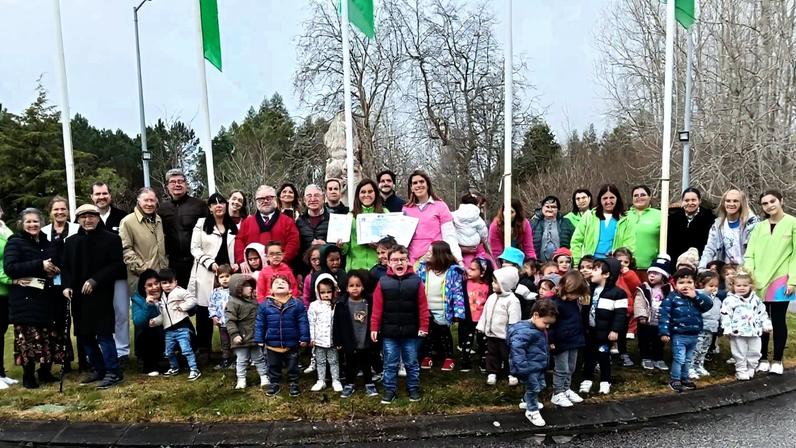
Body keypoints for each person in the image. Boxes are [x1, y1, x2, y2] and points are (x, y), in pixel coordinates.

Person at [61, 204, 127, 389]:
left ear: (98, 218)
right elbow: (65, 267)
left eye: (91, 216)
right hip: (78, 296)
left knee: (104, 334)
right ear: (78, 220)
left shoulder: (112, 239)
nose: (87, 220)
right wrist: (66, 286)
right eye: (83, 217)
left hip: (101, 294)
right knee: (84, 335)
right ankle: (99, 369)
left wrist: (95, 280)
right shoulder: (71, 241)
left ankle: (114, 371)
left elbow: (116, 266)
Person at [5, 208, 64, 389]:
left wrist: (55, 269)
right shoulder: (15, 242)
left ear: (41, 223)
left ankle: (45, 371)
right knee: (27, 339)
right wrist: (40, 265)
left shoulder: (48, 242)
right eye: (28, 222)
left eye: (35, 221)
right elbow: (10, 268)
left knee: (48, 336)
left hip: (46, 297)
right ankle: (28, 375)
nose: (32, 225)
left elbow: (56, 261)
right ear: (21, 224)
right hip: (25, 299)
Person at [744, 189, 796, 375]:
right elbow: (750, 254)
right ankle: (763, 358)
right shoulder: (759, 227)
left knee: (779, 320)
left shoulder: (792, 223)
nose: (769, 205)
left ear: (781, 200)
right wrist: (749, 276)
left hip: (781, 280)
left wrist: (793, 281)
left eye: (772, 201)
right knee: (761, 320)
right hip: (759, 281)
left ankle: (778, 360)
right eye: (765, 203)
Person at [370, 245, 429, 404]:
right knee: (390, 363)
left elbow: (423, 307)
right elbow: (377, 308)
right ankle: (390, 390)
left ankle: (413, 388)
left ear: (408, 261)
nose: (399, 263)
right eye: (395, 260)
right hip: (390, 333)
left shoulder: (416, 282)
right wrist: (374, 327)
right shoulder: (383, 282)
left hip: (411, 332)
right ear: (388, 262)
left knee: (411, 362)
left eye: (402, 259)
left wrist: (424, 327)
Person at [188, 193, 238, 357]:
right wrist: (209, 263)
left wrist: (236, 264)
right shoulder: (201, 224)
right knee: (204, 311)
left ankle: (232, 349)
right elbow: (195, 248)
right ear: (209, 208)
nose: (218, 206)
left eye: (221, 202)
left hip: (228, 274)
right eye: (214, 203)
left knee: (230, 309)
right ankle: (204, 349)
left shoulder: (233, 225)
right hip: (207, 272)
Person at [90, 182, 132, 362]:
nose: (101, 197)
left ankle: (122, 351)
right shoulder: (86, 218)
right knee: (100, 314)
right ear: (92, 197)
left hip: (118, 274)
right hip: (95, 277)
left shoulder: (123, 217)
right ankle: (103, 350)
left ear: (110, 195)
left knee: (121, 313)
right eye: (98, 194)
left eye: (104, 193)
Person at [658, 267, 714, 393]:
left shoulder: (696, 297)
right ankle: (675, 379)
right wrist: (664, 332)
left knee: (688, 359)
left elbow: (708, 305)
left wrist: (696, 296)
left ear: (695, 284)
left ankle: (685, 378)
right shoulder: (672, 298)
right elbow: (664, 315)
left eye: (689, 282)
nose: (685, 285)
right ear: (675, 284)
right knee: (679, 358)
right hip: (679, 334)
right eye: (681, 282)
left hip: (694, 334)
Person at [255, 275, 310, 397]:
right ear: (271, 290)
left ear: (290, 289)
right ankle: (274, 383)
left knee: (293, 365)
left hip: (291, 343)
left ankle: (294, 383)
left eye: (283, 282)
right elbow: (260, 323)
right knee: (273, 365)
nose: (280, 283)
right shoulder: (264, 306)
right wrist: (259, 338)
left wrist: (304, 337)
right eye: (276, 283)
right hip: (272, 344)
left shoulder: (297, 304)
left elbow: (303, 321)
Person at [416, 241, 467, 372]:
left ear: (439, 255)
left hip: (443, 310)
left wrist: (458, 312)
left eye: (430, 252)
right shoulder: (423, 269)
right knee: (428, 334)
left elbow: (457, 292)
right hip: (426, 309)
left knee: (445, 334)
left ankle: (449, 357)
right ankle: (428, 355)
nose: (427, 254)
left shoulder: (453, 272)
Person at [579, 258, 627, 395]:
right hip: (590, 330)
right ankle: (587, 379)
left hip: (605, 333)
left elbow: (620, 315)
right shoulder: (589, 290)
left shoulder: (618, 293)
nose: (591, 272)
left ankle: (605, 380)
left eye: (595, 269)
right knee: (589, 356)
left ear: (606, 274)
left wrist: (615, 330)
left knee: (603, 356)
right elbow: (585, 310)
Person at [507, 299, 559, 427]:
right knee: (533, 387)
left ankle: (526, 401)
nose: (547, 327)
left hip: (537, 365)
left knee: (540, 385)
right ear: (536, 315)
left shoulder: (538, 328)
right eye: (546, 323)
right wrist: (522, 369)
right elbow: (517, 351)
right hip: (528, 367)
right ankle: (532, 411)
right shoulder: (523, 331)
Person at [149, 268, 201, 381]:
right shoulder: (163, 297)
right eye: (164, 283)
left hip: (182, 328)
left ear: (175, 282)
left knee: (186, 350)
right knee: (168, 352)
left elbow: (193, 300)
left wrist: (183, 307)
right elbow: (165, 315)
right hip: (169, 331)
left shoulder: (179, 291)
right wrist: (155, 321)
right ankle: (174, 367)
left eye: (170, 282)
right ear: (160, 284)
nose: (168, 285)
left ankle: (194, 369)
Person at [719, 270, 772, 381]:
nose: (742, 288)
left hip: (754, 331)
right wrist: (727, 328)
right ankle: (741, 370)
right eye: (738, 285)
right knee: (739, 352)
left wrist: (766, 324)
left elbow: (762, 313)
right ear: (733, 286)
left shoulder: (756, 300)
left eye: (745, 285)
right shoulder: (729, 300)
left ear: (750, 286)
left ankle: (751, 367)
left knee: (755, 351)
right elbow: (725, 315)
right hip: (738, 332)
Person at [334, 270, 378, 398]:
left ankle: (369, 383)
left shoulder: (369, 301)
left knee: (366, 363)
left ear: (363, 287)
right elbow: (336, 324)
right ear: (346, 288)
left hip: (365, 339)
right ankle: (349, 384)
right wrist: (337, 341)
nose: (355, 288)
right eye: (351, 285)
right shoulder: (342, 304)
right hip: (349, 341)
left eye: (358, 285)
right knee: (350, 363)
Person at [159, 169, 206, 287]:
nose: (177, 184)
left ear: (186, 184)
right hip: (172, 264)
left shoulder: (199, 205)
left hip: (195, 261)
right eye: (173, 182)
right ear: (167, 186)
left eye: (180, 181)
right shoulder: (162, 209)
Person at [402, 170, 462, 263]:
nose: (418, 185)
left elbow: (449, 236)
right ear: (411, 188)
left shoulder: (441, 206)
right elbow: (404, 239)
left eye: (421, 181)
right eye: (415, 183)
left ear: (428, 185)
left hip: (436, 259)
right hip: (414, 261)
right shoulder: (406, 209)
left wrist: (458, 259)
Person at [476, 267, 522, 386]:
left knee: (508, 355)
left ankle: (512, 373)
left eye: (496, 282)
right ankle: (492, 372)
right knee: (492, 354)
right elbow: (485, 314)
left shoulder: (512, 301)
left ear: (504, 284)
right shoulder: (491, 298)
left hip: (505, 336)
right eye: (493, 281)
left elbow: (514, 319)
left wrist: (512, 333)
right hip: (491, 334)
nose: (493, 284)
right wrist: (481, 326)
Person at [548, 271, 588, 408]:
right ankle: (557, 392)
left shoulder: (575, 302)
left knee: (571, 367)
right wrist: (551, 341)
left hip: (574, 339)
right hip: (560, 341)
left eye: (577, 294)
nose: (574, 296)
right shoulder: (555, 303)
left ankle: (566, 388)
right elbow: (550, 324)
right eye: (572, 293)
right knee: (562, 368)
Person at [235, 185, 300, 267]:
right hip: (252, 270)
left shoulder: (287, 221)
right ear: (256, 201)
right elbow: (239, 241)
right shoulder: (247, 222)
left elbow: (293, 242)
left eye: (268, 198)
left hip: (280, 268)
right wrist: (242, 261)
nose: (265, 201)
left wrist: (283, 260)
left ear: (275, 199)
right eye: (261, 199)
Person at [570, 184, 635, 265]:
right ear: (600, 200)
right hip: (590, 263)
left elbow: (629, 245)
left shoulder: (626, 219)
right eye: (605, 198)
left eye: (612, 198)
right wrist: (577, 263)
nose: (608, 201)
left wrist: (617, 255)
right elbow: (576, 241)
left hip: (614, 264)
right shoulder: (589, 216)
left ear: (617, 199)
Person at [224, 273, 269, 389]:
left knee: (259, 358)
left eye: (251, 286)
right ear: (238, 288)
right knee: (242, 359)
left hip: (254, 337)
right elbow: (230, 321)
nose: (250, 288)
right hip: (241, 338)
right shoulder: (233, 303)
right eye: (247, 286)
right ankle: (241, 379)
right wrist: (234, 334)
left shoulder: (253, 301)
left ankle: (264, 376)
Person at [119, 188, 168, 292]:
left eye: (152, 200)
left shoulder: (158, 220)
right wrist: (146, 271)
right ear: (138, 201)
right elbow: (125, 250)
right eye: (146, 200)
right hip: (140, 280)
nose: (149, 204)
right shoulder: (127, 221)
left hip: (160, 278)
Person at [699, 189, 759, 269]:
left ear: (741, 203)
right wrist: (701, 268)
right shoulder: (718, 225)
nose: (731, 204)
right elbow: (710, 249)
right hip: (726, 269)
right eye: (728, 201)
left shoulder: (751, 224)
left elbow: (755, 250)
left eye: (735, 201)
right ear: (724, 203)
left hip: (747, 269)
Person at [634, 256, 672, 370]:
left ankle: (658, 358)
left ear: (663, 276)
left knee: (659, 341)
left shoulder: (668, 289)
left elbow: (671, 303)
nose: (651, 275)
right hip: (646, 321)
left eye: (656, 273)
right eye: (650, 273)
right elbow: (639, 302)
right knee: (644, 340)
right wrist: (642, 315)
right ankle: (645, 357)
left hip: (660, 321)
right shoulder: (643, 288)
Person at [308, 274, 343, 392]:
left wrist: (339, 339)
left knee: (334, 361)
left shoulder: (336, 305)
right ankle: (321, 380)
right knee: (320, 361)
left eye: (329, 291)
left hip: (332, 341)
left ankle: (336, 380)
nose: (326, 295)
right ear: (317, 292)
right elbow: (311, 322)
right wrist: (312, 338)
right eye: (322, 292)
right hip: (319, 341)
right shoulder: (314, 306)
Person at [459, 257, 493, 372]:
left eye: (473, 269)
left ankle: (484, 361)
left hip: (482, 320)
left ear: (482, 272)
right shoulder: (464, 284)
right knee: (466, 340)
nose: (469, 271)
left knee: (484, 342)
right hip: (468, 319)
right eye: (469, 268)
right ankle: (465, 361)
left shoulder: (489, 286)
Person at [131, 269, 165, 376]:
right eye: (150, 285)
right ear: (143, 288)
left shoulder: (168, 293)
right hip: (148, 338)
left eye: (156, 283)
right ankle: (150, 366)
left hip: (168, 332)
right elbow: (138, 322)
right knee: (150, 329)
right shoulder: (137, 299)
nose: (154, 287)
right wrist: (148, 305)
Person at [667, 187, 715, 260]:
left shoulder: (710, 219)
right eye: (687, 200)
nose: (690, 203)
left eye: (693, 200)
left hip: (700, 262)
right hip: (676, 262)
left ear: (699, 201)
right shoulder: (672, 219)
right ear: (682, 201)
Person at [345, 179, 384, 270]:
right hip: (355, 268)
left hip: (378, 268)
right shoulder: (350, 216)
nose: (366, 195)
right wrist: (341, 245)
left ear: (375, 193)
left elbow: (391, 245)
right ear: (358, 195)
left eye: (370, 192)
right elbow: (345, 249)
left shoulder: (384, 213)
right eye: (363, 192)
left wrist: (378, 246)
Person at [691, 270, 721, 379]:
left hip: (710, 329)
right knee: (696, 348)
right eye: (711, 286)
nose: (714, 288)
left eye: (716, 286)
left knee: (704, 349)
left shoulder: (717, 300)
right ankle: (690, 367)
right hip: (700, 328)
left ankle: (699, 365)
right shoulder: (698, 297)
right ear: (702, 285)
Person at [626, 185, 661, 277]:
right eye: (635, 195)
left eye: (643, 195)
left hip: (651, 269)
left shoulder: (660, 215)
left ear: (650, 197)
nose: (639, 197)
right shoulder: (624, 216)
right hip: (627, 268)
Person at [0, 205, 18, 389]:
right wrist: (11, 279)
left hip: (6, 293)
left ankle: (1, 373)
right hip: (3, 286)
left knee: (2, 331)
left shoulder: (5, 230)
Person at [489, 199, 537, 263]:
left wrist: (531, 262)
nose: (507, 215)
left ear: (517, 213)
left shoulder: (524, 224)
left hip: (519, 258)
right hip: (501, 259)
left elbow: (529, 248)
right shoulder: (495, 226)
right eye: (505, 211)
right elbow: (496, 252)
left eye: (511, 212)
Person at [296, 185, 330, 273]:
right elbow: (298, 249)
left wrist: (326, 245)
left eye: (316, 195)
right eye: (309, 196)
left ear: (323, 198)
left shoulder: (332, 219)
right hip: (306, 270)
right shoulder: (299, 221)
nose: (313, 199)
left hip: (328, 267)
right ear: (304, 200)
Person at [452, 192, 491, 266]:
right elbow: (484, 236)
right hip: (474, 248)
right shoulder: (478, 219)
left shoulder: (453, 215)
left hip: (457, 248)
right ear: (477, 204)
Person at [530, 196, 575, 262]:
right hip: (538, 263)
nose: (550, 209)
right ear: (542, 208)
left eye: (553, 207)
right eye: (547, 206)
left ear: (558, 209)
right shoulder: (534, 223)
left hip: (561, 264)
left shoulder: (566, 222)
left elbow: (575, 241)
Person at [208, 264, 234, 369]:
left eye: (227, 276)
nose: (225, 279)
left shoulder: (235, 291)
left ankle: (237, 360)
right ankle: (225, 359)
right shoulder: (215, 292)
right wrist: (214, 317)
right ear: (217, 279)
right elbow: (211, 306)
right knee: (225, 342)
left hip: (234, 322)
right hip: (222, 322)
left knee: (235, 342)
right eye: (221, 277)